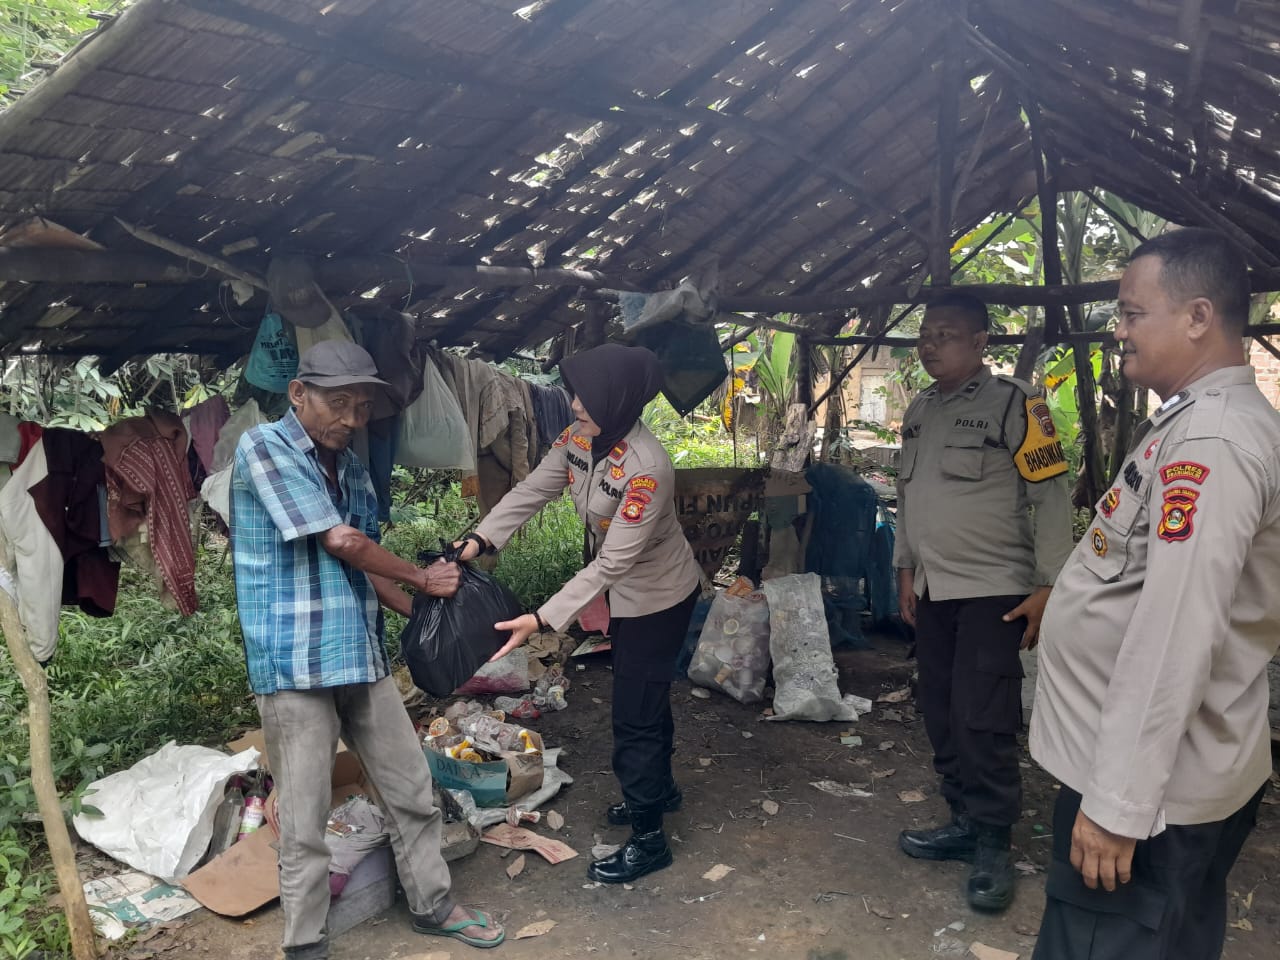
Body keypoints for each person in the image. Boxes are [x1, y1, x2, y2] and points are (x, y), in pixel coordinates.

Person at [1029, 229, 1280, 960]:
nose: (1118, 331)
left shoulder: (1212, 444)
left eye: (1133, 313)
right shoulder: (1197, 425)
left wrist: (1116, 808)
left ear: (1198, 317)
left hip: (1148, 799)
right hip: (1177, 778)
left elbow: (1175, 629)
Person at [230, 341, 504, 958]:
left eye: (360, 407)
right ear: (298, 393)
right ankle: (305, 944)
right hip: (296, 664)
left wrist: (432, 618)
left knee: (411, 789)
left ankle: (432, 905)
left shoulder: (349, 465)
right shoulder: (265, 447)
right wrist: (424, 577)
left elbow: (366, 567)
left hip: (360, 655)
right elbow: (343, 542)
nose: (351, 419)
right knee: (303, 822)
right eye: (338, 403)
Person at [456, 343, 702, 884]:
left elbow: (613, 561)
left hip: (659, 597)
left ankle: (649, 838)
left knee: (634, 715)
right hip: (624, 590)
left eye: (585, 395)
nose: (572, 405)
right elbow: (532, 490)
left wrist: (542, 619)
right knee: (646, 696)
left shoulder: (647, 469)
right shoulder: (581, 440)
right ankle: (660, 792)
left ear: (618, 398)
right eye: (573, 392)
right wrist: (479, 538)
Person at [893, 292, 1074, 911]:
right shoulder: (918, 410)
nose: (930, 344)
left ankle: (994, 840)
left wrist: (1050, 584)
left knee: (982, 715)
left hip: (994, 589)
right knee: (941, 710)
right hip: (934, 588)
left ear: (979, 343)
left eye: (945, 334)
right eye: (925, 334)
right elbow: (907, 496)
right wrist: (904, 568)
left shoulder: (1016, 405)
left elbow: (1051, 494)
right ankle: (962, 821)